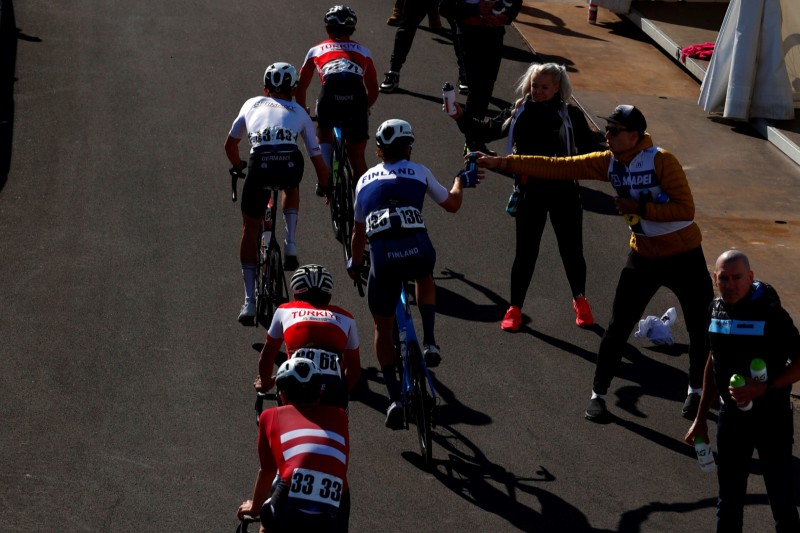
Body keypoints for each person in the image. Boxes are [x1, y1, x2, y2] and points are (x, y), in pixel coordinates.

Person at [476, 104, 715, 421]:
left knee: (701, 329)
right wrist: (502, 162)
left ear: (634, 136)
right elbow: (559, 166)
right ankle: (598, 395)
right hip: (643, 255)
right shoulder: (609, 162)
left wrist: (640, 208)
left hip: (684, 256)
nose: (607, 135)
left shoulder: (662, 161)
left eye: (614, 131)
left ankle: (695, 392)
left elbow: (686, 210)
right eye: (607, 129)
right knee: (617, 327)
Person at [347, 118, 481, 429]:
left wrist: (355, 265)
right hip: (418, 249)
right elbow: (452, 204)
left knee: (382, 324)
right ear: (408, 148)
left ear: (379, 152)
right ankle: (431, 341)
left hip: (383, 258)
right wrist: (461, 181)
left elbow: (356, 235)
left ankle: (394, 398)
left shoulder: (364, 180)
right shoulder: (419, 171)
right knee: (424, 276)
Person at [449, 62, 598, 331]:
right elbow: (485, 130)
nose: (537, 91)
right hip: (531, 192)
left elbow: (592, 149)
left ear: (558, 89)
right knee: (526, 253)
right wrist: (460, 115)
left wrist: (621, 144)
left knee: (572, 251)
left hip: (565, 192)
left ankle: (580, 300)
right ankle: (514, 308)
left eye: (544, 87)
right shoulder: (519, 111)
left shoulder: (570, 116)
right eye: (534, 86)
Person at [684, 250, 800, 533]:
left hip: (772, 419)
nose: (731, 284)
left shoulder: (771, 314)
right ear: (715, 279)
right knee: (729, 502)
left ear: (750, 277)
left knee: (782, 502)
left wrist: (766, 387)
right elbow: (714, 362)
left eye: (737, 278)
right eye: (724, 278)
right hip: (732, 419)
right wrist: (700, 419)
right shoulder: (714, 310)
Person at [225, 62, 330, 325]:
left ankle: (249, 302)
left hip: (259, 165)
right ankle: (291, 242)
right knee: (291, 184)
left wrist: (239, 166)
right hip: (289, 163)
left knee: (250, 230)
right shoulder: (299, 111)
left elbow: (230, 145)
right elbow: (317, 159)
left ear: (265, 89)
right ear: (294, 90)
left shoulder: (251, 104)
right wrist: (326, 185)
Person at [237, 357, 350, 533]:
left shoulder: (270, 416)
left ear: (281, 395)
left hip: (288, 496)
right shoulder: (341, 417)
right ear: (319, 394)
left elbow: (267, 471)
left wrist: (255, 508)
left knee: (267, 522)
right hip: (336, 505)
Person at [256, 264, 361, 409]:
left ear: (295, 296)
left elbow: (267, 355)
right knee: (339, 427)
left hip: (294, 386)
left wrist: (265, 382)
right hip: (333, 390)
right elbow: (354, 369)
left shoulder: (284, 310)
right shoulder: (347, 318)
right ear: (329, 297)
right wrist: (344, 392)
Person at [296, 5, 379, 185]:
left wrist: (303, 110)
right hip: (356, 98)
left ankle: (325, 178)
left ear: (327, 29)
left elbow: (301, 87)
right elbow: (373, 90)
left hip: (329, 97)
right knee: (356, 155)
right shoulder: (364, 52)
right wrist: (365, 107)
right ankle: (364, 205)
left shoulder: (316, 50)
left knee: (324, 132)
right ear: (353, 30)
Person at [439, 0, 522, 152]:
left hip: (495, 34)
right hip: (468, 33)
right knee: (477, 89)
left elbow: (515, 3)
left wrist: (503, 17)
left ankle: (474, 140)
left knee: (486, 88)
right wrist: (476, 8)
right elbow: (445, 7)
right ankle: (472, 142)